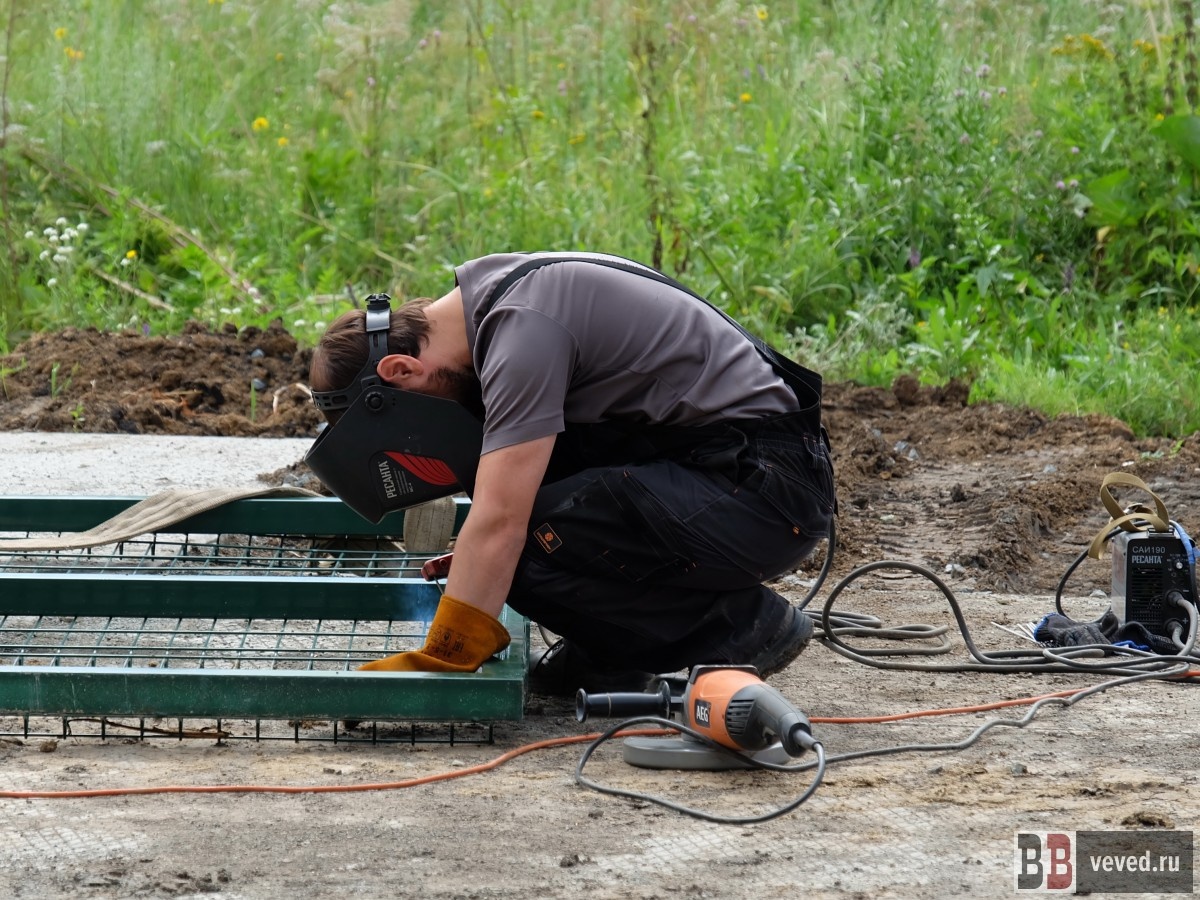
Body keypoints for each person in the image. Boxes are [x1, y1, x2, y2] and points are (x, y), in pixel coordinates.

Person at [308, 251, 836, 695]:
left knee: (519, 535)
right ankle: (609, 657)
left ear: (400, 372)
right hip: (725, 475)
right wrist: (488, 558)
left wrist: (445, 657)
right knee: (520, 544)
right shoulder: (493, 305)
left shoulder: (521, 330)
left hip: (762, 491)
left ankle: (743, 630)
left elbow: (501, 520)